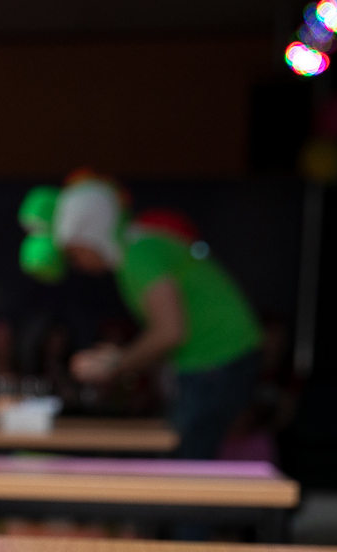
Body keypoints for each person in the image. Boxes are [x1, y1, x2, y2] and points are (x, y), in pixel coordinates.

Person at [49, 176, 261, 459]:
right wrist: (120, 359)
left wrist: (115, 364)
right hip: (218, 357)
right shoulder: (137, 246)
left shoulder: (138, 255)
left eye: (74, 253)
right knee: (185, 456)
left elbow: (169, 332)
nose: (77, 264)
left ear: (89, 237)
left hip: (218, 357)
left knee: (185, 461)